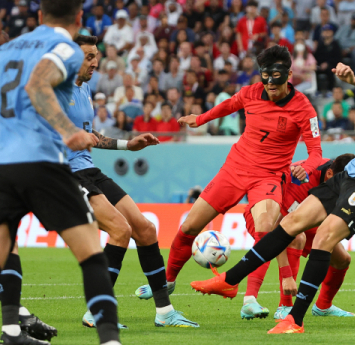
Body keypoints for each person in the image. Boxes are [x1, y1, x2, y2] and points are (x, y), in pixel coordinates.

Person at [190, 38, 355, 335]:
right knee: (292, 222)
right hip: (354, 174)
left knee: (324, 238)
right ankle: (230, 281)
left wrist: (353, 80)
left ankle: (296, 319)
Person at [0, 1, 121, 344]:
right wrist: (69, 130)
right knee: (92, 257)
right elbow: (38, 86)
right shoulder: (65, 47)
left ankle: (11, 330)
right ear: (79, 18)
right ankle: (110, 340)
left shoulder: (7, 50)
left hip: (2, 165)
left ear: (39, 16)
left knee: (6, 250)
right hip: (41, 163)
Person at [161, 45, 322, 295]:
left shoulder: (304, 108)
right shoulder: (251, 92)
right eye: (266, 81)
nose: (270, 88)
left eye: (276, 84)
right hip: (234, 169)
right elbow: (228, 105)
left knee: (266, 229)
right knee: (190, 226)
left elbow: (316, 154)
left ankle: (238, 287)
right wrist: (200, 118)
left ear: (289, 76)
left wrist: (307, 168)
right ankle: (167, 283)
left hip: (268, 177)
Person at [67, 36, 199, 330]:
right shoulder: (56, 91)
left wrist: (129, 145)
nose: (95, 63)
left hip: (89, 170)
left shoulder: (85, 88)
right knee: (120, 230)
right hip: (66, 174)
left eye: (95, 57)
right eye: (88, 57)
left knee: (146, 229)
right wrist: (74, 138)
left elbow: (92, 136)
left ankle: (164, 312)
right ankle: (97, 311)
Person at [238, 154, 355, 320]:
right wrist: (287, 276)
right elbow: (278, 229)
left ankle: (323, 306)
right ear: (330, 174)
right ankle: (279, 305)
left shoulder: (341, 176)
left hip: (299, 220)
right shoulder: (301, 181)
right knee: (295, 238)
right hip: (265, 216)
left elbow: (354, 209)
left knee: (342, 259)